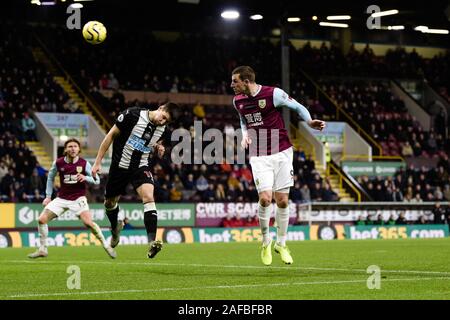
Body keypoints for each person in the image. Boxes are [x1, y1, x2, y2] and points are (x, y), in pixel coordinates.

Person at [230, 66, 325, 265]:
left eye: (235, 81)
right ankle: (266, 242)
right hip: (258, 154)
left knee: (282, 201)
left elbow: (298, 107)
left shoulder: (273, 94)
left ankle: (281, 243)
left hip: (282, 151)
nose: (232, 85)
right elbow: (243, 120)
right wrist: (245, 134)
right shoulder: (237, 101)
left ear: (246, 81)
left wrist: (308, 121)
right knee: (265, 198)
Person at [91, 102, 179, 259]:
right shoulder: (132, 115)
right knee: (109, 203)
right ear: (160, 108)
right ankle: (115, 231)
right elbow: (111, 135)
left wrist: (158, 146)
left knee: (149, 197)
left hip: (140, 167)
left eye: (166, 121)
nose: (163, 122)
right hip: (120, 166)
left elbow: (151, 139)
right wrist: (98, 162)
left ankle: (152, 241)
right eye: (163, 117)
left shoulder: (163, 130)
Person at [28, 138, 116, 259]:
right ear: (65, 149)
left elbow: (97, 180)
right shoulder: (58, 163)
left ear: (79, 149)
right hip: (62, 198)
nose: (73, 148)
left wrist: (86, 178)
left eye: (75, 146)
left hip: (78, 198)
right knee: (41, 220)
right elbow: (50, 178)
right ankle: (43, 249)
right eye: (70, 146)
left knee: (88, 223)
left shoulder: (84, 163)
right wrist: (48, 197)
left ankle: (106, 245)